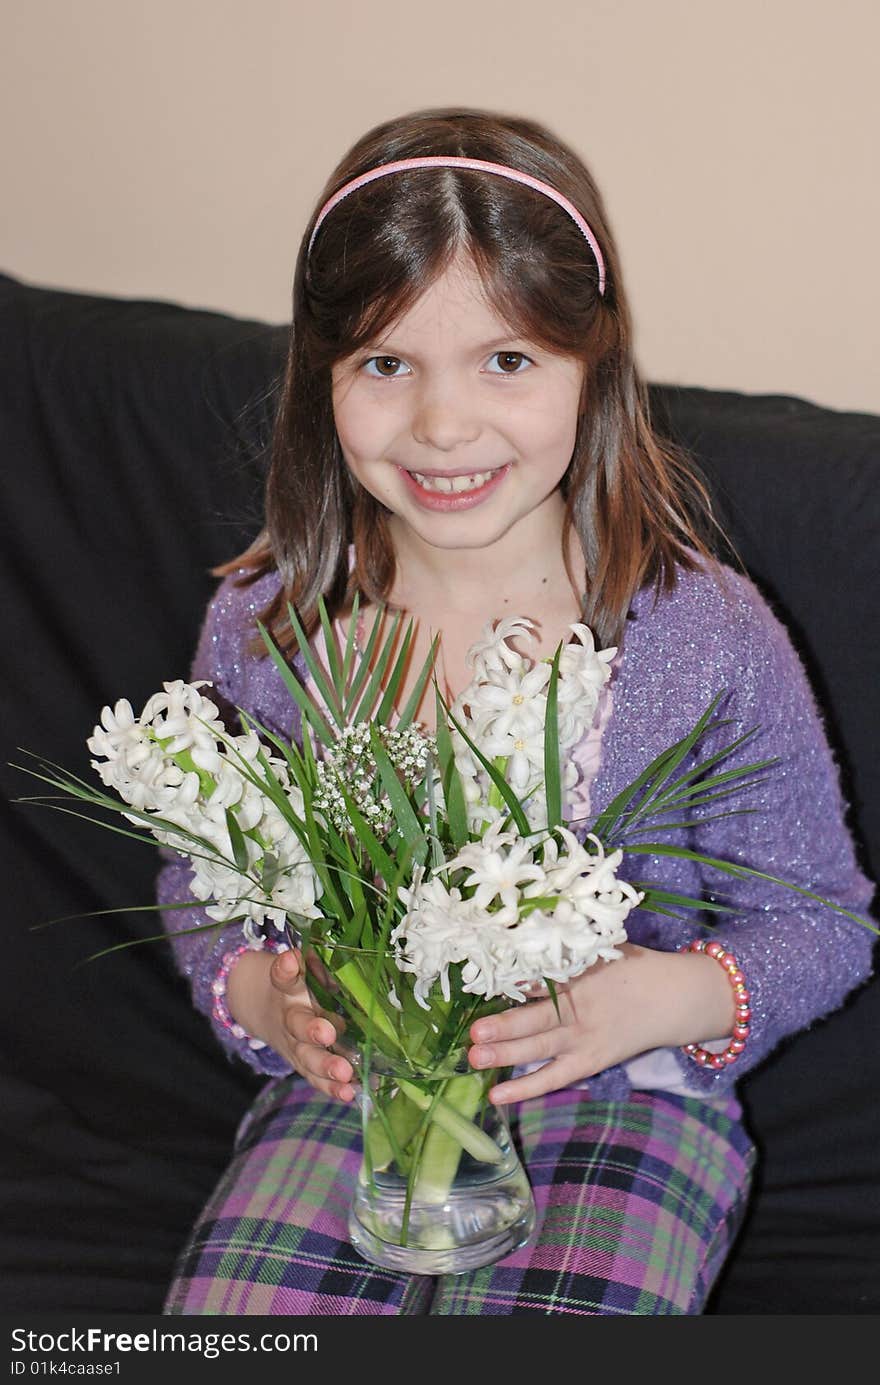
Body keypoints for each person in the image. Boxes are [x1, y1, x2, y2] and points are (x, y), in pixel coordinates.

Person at [157, 107, 876, 1316]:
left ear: (590, 366)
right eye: (386, 364)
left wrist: (656, 996)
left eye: (507, 361)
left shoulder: (700, 633)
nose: (443, 425)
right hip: (358, 1101)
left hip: (627, 1093)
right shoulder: (269, 621)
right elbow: (197, 885)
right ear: (321, 378)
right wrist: (263, 996)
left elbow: (825, 921)